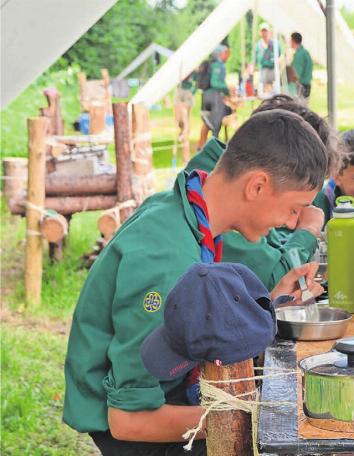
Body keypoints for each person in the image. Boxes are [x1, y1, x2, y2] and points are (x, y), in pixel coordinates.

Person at [63, 110, 327, 454]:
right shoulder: (167, 263)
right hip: (140, 425)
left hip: (168, 387)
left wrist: (273, 300)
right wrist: (249, 415)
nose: (293, 224)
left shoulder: (188, 209)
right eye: (294, 208)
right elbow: (129, 419)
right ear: (257, 186)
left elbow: (197, 318)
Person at [184, 95, 340, 289]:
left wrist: (273, 305)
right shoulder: (227, 200)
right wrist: (307, 231)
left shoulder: (228, 191)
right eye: (295, 208)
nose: (292, 222)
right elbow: (271, 277)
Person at [198, 44, 232, 148]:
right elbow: (215, 83)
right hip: (213, 97)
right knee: (216, 124)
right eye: (226, 53)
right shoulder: (219, 65)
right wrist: (227, 89)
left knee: (208, 122)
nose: (228, 56)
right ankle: (214, 149)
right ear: (221, 54)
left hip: (205, 97)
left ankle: (200, 148)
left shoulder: (210, 64)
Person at [255, 23, 279, 96]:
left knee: (274, 93)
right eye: (262, 31)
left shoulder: (275, 44)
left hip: (273, 71)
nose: (264, 33)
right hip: (263, 72)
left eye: (265, 31)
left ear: (269, 32)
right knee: (263, 94)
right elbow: (255, 60)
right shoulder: (258, 45)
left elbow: (279, 56)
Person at [290, 32, 313, 99]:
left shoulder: (299, 54)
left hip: (301, 85)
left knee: (300, 106)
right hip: (307, 84)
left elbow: (296, 73)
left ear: (293, 41)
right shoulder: (305, 52)